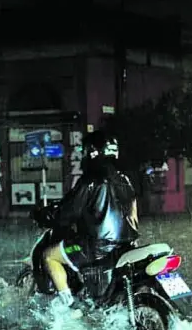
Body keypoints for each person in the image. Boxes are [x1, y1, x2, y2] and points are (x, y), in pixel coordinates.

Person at [42, 130, 139, 310]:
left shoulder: (91, 180)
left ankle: (70, 309)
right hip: (126, 246)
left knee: (48, 256)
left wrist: (49, 216)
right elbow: (133, 215)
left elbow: (69, 212)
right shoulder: (125, 179)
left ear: (92, 152)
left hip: (97, 246)